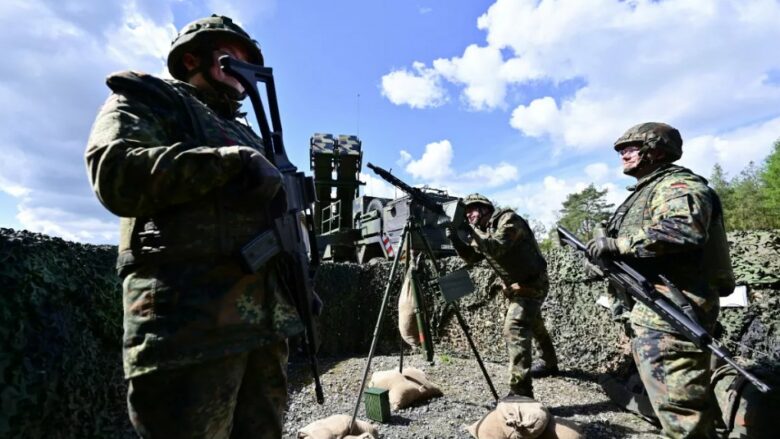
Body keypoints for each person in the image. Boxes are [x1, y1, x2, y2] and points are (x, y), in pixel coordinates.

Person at [85, 15, 303, 438]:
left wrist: (301, 290)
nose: (244, 65)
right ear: (191, 59)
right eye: (232, 53)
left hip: (264, 331)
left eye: (249, 57)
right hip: (190, 330)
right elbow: (114, 172)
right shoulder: (154, 99)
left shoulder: (252, 135)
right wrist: (227, 163)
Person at [586, 122, 734, 438]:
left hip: (672, 311)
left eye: (631, 147)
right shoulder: (649, 190)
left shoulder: (677, 185)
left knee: (683, 419)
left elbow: (684, 229)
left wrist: (617, 245)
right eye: (620, 150)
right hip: (657, 310)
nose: (622, 154)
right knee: (678, 409)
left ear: (656, 149)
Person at [447, 194, 558, 398]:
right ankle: (551, 364)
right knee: (535, 324)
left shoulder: (508, 220)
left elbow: (495, 248)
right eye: (466, 212)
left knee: (515, 328)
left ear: (485, 209)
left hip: (533, 283)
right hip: (518, 286)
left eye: (472, 209)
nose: (469, 215)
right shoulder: (483, 230)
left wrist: (469, 230)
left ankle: (521, 391)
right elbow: (472, 257)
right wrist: (455, 237)